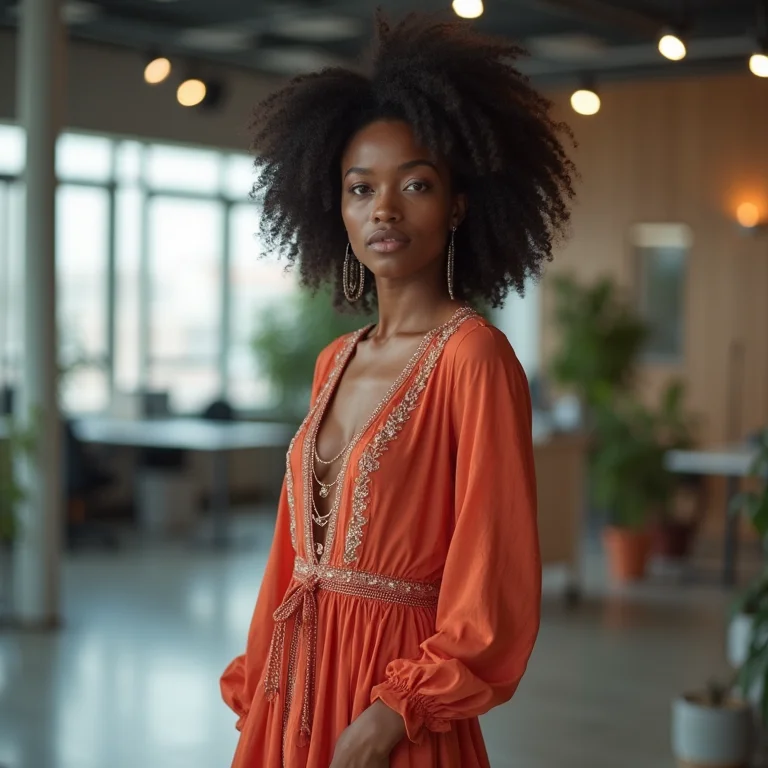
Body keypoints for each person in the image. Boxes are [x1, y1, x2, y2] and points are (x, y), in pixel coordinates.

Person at [220, 12, 575, 768]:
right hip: (295, 691)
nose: (383, 209)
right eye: (360, 188)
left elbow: (497, 567)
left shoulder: (473, 358)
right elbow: (289, 557)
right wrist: (260, 681)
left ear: (457, 206)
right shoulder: (334, 359)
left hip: (393, 709)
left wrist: (397, 711)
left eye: (415, 184)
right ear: (337, 210)